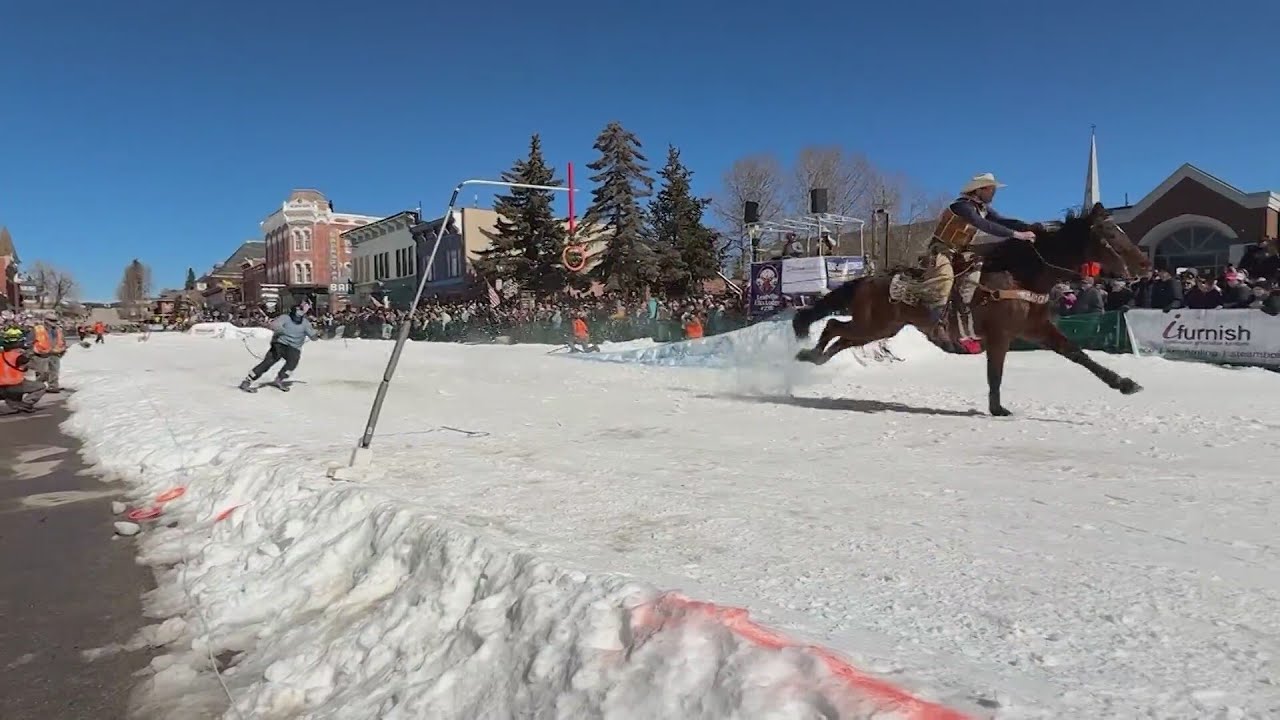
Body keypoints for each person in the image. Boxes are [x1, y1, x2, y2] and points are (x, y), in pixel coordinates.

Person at [924, 172, 1037, 347]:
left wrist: (1030, 227)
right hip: (941, 249)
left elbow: (1002, 220)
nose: (993, 193)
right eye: (991, 189)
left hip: (961, 252)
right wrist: (1017, 235)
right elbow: (984, 225)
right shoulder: (962, 206)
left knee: (974, 280)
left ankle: (965, 324)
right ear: (979, 190)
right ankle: (935, 325)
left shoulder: (983, 209)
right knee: (945, 280)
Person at [238, 301, 321, 392]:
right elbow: (274, 325)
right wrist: (282, 331)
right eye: (298, 310)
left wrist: (317, 335)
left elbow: (313, 336)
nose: (299, 313)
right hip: (280, 344)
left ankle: (279, 379)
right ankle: (247, 381)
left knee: (292, 363)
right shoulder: (285, 318)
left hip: (294, 347)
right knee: (268, 362)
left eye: (302, 310)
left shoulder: (305, 323)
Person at [0, 325, 46, 413]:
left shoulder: (1, 355)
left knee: (21, 382)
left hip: (1, 388)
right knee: (40, 387)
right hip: (13, 385)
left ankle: (13, 402)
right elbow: (30, 366)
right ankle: (25, 404)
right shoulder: (18, 356)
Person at [31, 310, 67, 393]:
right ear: (46, 320)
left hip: (55, 353)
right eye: (52, 320)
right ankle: (38, 387)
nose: (54, 322)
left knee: (54, 372)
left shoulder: (58, 330)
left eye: (55, 321)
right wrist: (32, 351)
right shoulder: (37, 329)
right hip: (41, 354)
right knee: (42, 372)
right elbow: (30, 341)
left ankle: (53, 387)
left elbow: (62, 340)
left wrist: (62, 350)